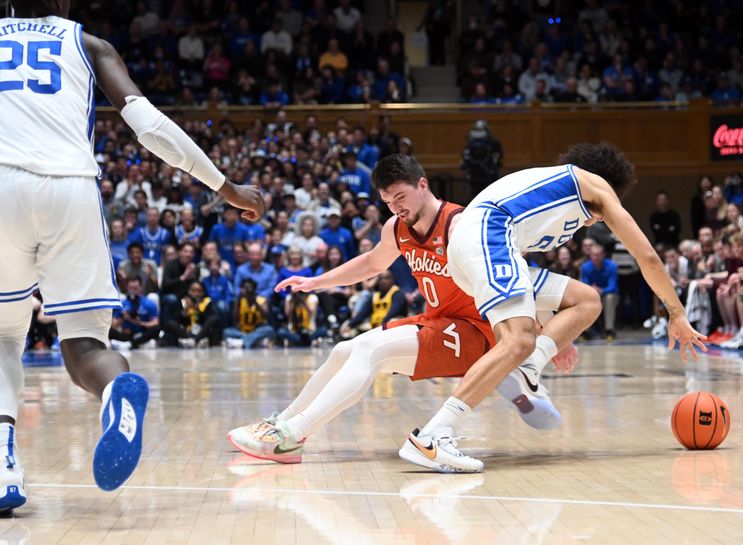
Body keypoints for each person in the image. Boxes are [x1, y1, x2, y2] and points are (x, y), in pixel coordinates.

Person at [0, 0, 264, 507]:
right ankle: (115, 390)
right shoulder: (89, 43)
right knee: (85, 348)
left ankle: (4, 467)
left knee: (4, 338)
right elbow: (150, 127)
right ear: (64, 3)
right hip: (70, 189)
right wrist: (224, 185)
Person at [227, 155, 597, 470]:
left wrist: (544, 330)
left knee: (371, 351)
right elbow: (372, 262)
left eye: (400, 197)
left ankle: (292, 435)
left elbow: (510, 275)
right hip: (440, 321)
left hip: (478, 330)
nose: (396, 207)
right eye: (388, 201)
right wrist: (316, 281)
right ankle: (282, 424)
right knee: (344, 350)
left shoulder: (462, 225)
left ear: (423, 185)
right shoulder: (397, 227)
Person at [418, 142, 707, 472]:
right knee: (517, 341)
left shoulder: (556, 200)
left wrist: (553, 338)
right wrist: (677, 313)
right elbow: (647, 256)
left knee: (586, 300)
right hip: (485, 234)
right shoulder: (595, 186)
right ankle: (434, 433)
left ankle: (528, 367)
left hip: (476, 248)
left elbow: (519, 279)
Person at [580, 243, 620, 340]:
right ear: (590, 255)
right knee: (584, 299)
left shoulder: (612, 266)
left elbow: (613, 287)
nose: (596, 257)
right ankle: (586, 331)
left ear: (603, 255)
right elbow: (583, 286)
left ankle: (609, 331)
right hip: (591, 295)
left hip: (608, 295)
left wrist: (600, 290)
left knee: (609, 298)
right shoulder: (585, 267)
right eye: (594, 254)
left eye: (598, 254)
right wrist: (592, 291)